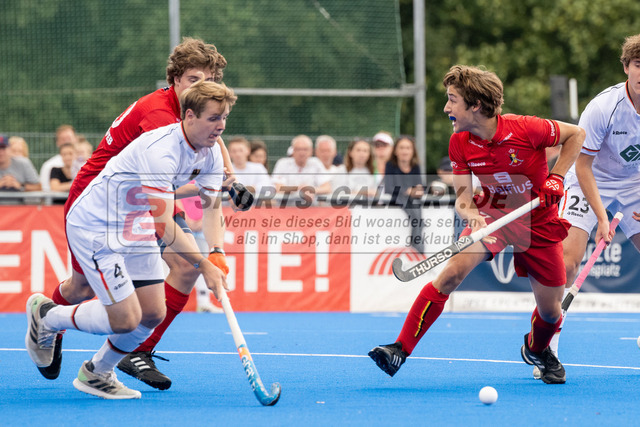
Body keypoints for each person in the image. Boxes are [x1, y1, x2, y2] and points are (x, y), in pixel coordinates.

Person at [368, 65, 585, 384]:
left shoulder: (527, 128)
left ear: (475, 105)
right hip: (494, 216)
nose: (446, 108)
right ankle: (400, 348)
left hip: (538, 221)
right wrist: (473, 217)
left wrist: (556, 177)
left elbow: (576, 134)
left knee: (551, 312)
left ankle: (536, 348)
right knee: (452, 273)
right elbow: (464, 199)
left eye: (452, 100)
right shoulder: (459, 142)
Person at [38, 37, 232, 391]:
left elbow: (208, 190)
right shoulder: (160, 120)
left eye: (209, 80)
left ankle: (126, 355)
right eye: (194, 79)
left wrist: (215, 250)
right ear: (175, 79)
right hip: (98, 203)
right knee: (87, 291)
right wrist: (204, 260)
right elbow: (167, 206)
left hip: (139, 203)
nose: (201, 87)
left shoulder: (200, 127)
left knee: (161, 296)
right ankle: (49, 319)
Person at [532, 33, 640, 379]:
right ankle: (546, 346)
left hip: (635, 182)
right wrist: (601, 217)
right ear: (626, 67)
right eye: (639, 65)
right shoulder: (603, 107)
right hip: (589, 178)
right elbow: (582, 166)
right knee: (566, 263)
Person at [383, 135, 426, 253]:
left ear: (413, 151)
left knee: (415, 206)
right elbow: (389, 188)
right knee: (414, 210)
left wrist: (416, 191)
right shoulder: (390, 166)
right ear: (395, 151)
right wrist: (408, 191)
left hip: (413, 201)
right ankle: (417, 243)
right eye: (401, 148)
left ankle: (417, 242)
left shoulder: (415, 166)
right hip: (397, 200)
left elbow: (420, 187)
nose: (405, 151)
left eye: (408, 148)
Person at [40, 125, 78, 191]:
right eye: (63, 139)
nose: (67, 142)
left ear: (76, 139)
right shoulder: (49, 165)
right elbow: (46, 189)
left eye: (69, 138)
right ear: (57, 142)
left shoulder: (86, 162)